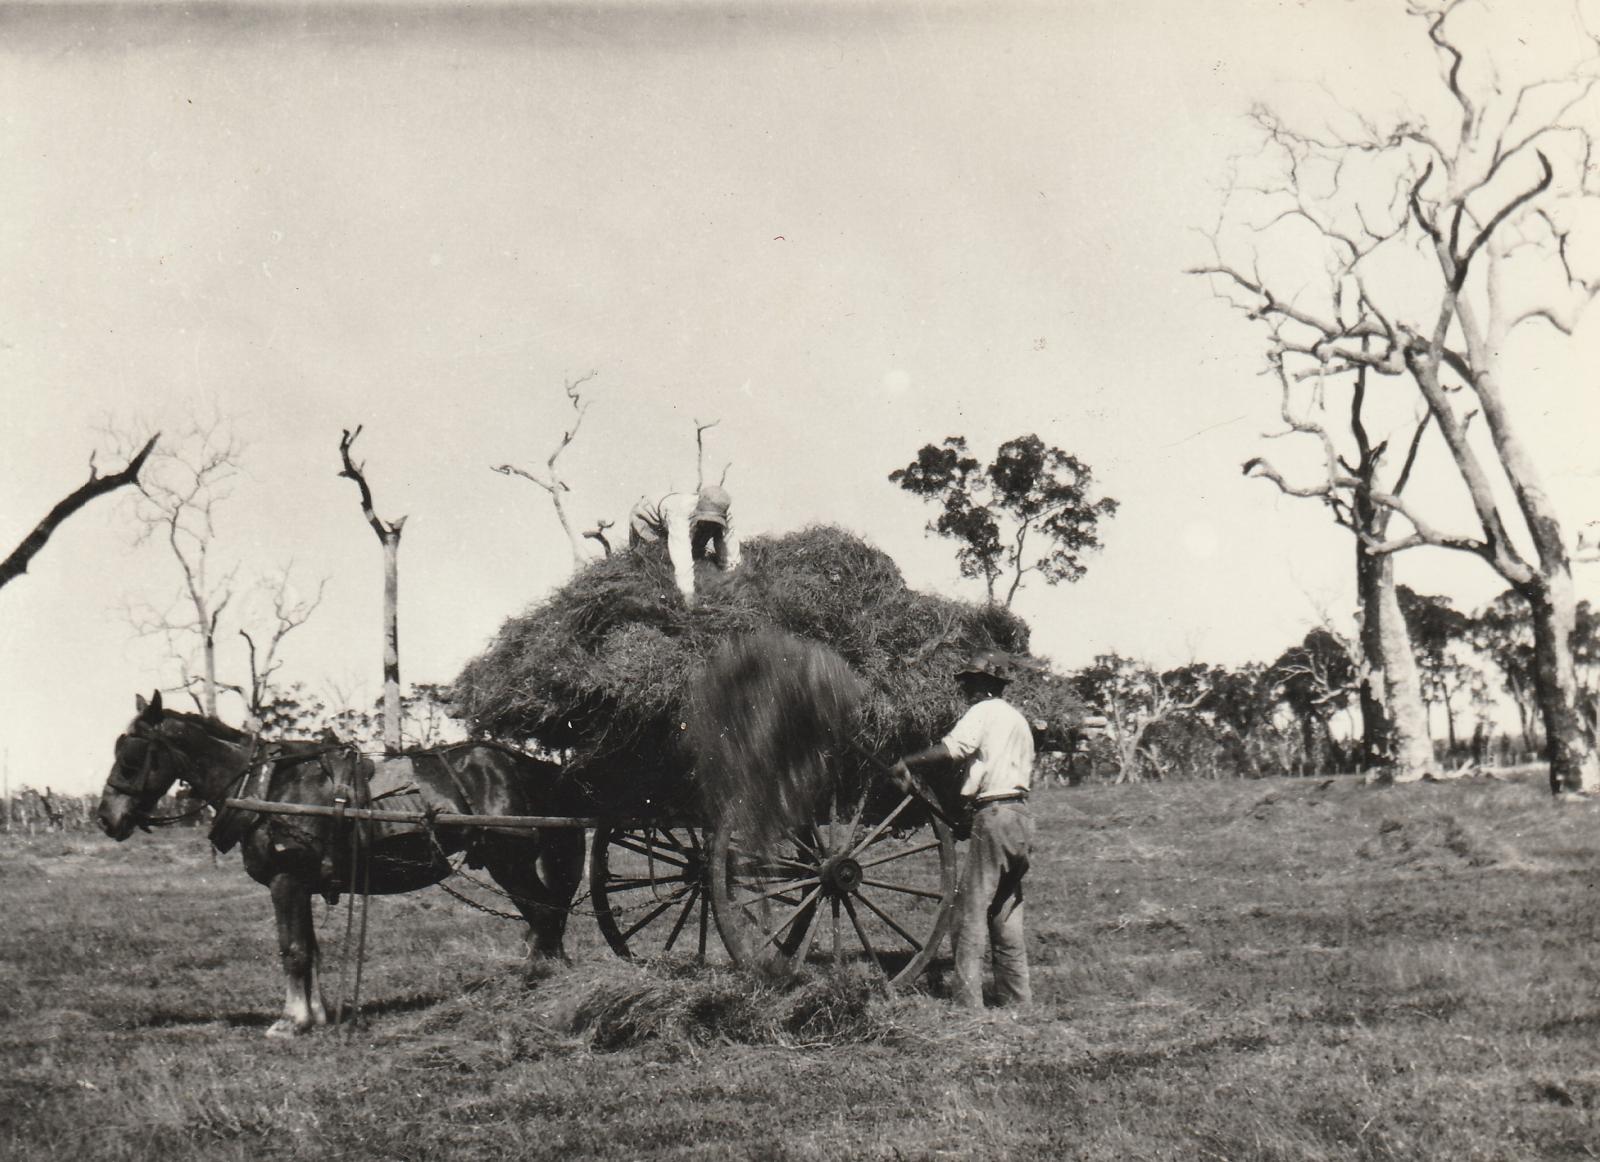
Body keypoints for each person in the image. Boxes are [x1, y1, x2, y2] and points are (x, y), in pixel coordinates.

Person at [892, 649, 1035, 1009]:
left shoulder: (983, 712)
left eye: (970, 682)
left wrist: (908, 763)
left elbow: (954, 749)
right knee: (1006, 914)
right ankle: (1018, 1004)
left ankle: (967, 1007)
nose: (965, 689)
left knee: (967, 913)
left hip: (996, 813)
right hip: (1020, 817)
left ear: (986, 684)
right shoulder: (1019, 720)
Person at [628, 483, 742, 605]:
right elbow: (682, 557)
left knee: (698, 552)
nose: (708, 525)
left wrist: (731, 581)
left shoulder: (724, 510)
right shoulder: (679, 512)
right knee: (658, 561)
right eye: (705, 520)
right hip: (648, 519)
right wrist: (688, 595)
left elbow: (730, 551)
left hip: (680, 519)